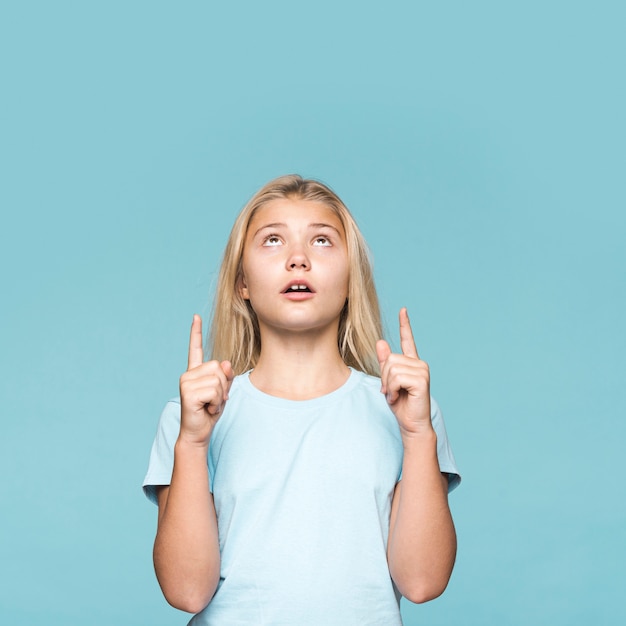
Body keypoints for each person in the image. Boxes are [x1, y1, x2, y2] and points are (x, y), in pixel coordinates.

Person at [143, 174, 460, 625]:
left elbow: (423, 582)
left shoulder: (406, 410)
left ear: (351, 279)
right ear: (242, 284)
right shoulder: (191, 417)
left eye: (322, 241)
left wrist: (417, 433)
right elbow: (187, 591)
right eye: (272, 240)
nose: (298, 259)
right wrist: (192, 444)